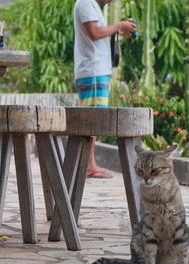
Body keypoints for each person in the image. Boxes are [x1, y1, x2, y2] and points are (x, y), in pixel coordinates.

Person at [73, 0, 137, 178]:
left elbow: (99, 32)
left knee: (94, 118)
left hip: (97, 70)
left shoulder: (93, 6)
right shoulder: (85, 3)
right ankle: (89, 165)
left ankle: (89, 163)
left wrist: (119, 29)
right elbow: (94, 33)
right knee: (92, 119)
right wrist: (118, 25)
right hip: (92, 70)